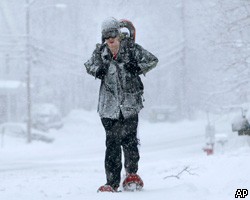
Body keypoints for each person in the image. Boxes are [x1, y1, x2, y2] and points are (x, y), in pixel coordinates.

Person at [84, 17, 158, 192]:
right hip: (108, 108)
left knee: (130, 141)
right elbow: (88, 66)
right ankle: (111, 182)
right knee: (112, 144)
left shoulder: (132, 49)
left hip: (130, 105)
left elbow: (153, 60)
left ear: (119, 35)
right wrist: (98, 70)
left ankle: (132, 174)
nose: (110, 39)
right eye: (106, 35)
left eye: (113, 34)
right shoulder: (100, 53)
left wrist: (137, 67)